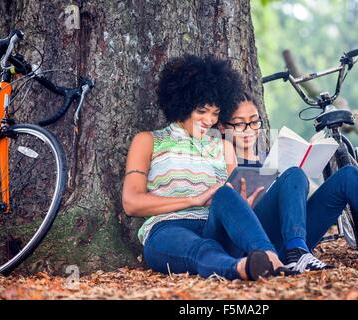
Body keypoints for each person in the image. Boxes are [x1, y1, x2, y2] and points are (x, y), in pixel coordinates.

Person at [220, 92, 358, 275]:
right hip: (256, 243)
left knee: (348, 175)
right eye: (240, 124)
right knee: (294, 174)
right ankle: (295, 254)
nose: (249, 130)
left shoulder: (266, 152)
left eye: (254, 122)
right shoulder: (223, 152)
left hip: (290, 236)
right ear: (224, 127)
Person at [122, 55, 298, 281]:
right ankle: (242, 268)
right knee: (201, 250)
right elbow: (131, 203)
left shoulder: (223, 146)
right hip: (167, 228)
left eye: (215, 113)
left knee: (224, 192)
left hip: (216, 226)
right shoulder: (148, 141)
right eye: (202, 111)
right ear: (182, 104)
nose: (209, 120)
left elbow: (230, 197)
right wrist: (193, 200)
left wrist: (242, 206)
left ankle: (269, 257)